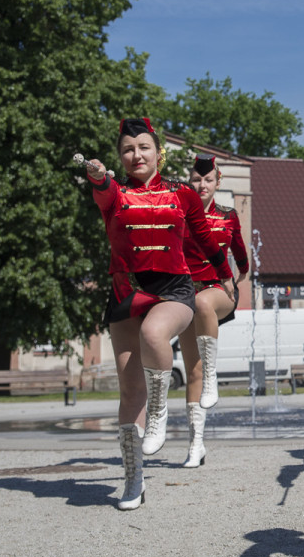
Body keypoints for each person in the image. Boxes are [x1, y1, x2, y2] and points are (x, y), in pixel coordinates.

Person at [85, 117, 231, 510]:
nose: (136, 154)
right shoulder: (116, 194)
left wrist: (227, 278)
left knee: (154, 335)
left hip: (173, 291)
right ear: (121, 157)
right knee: (130, 391)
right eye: (128, 149)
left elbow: (204, 237)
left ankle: (160, 412)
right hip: (125, 292)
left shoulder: (182, 194)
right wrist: (99, 178)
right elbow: (103, 193)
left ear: (158, 153)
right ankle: (133, 480)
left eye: (144, 147)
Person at [177, 153, 249, 468]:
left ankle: (213, 374)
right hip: (184, 295)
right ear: (189, 182)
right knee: (191, 370)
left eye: (207, 179)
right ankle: (196, 445)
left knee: (205, 301)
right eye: (196, 179)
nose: (201, 184)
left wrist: (237, 278)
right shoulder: (177, 214)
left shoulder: (229, 215)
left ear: (217, 182)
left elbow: (241, 256)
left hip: (218, 291)